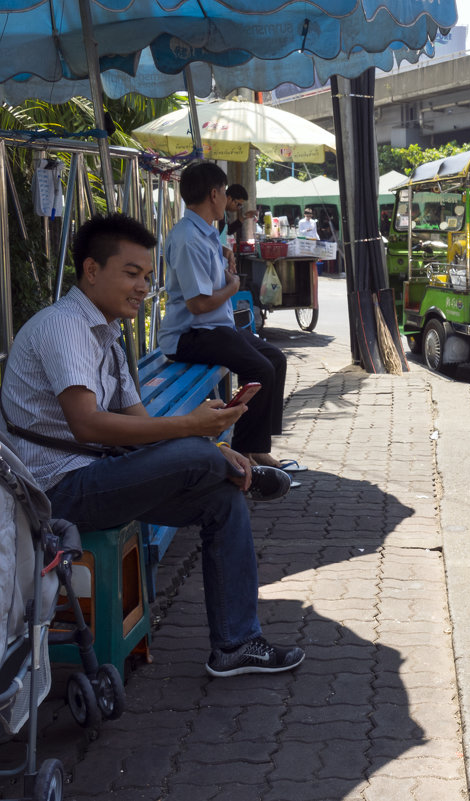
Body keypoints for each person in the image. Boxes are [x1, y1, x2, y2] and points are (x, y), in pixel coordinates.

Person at [0, 213, 304, 677]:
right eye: (131, 273)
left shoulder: (106, 333)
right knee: (195, 452)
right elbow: (87, 425)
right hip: (53, 493)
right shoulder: (63, 327)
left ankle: (237, 645)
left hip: (96, 477)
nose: (143, 287)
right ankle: (230, 467)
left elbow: (138, 422)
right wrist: (192, 431)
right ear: (91, 270)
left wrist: (211, 443)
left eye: (146, 276)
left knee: (221, 497)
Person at [159, 161, 300, 474]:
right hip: (190, 335)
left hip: (215, 328)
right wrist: (234, 285)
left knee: (275, 359)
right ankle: (242, 453)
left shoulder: (205, 232)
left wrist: (224, 261)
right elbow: (197, 303)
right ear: (213, 194)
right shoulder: (189, 239)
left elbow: (207, 280)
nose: (227, 199)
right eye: (224, 192)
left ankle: (258, 448)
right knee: (259, 369)